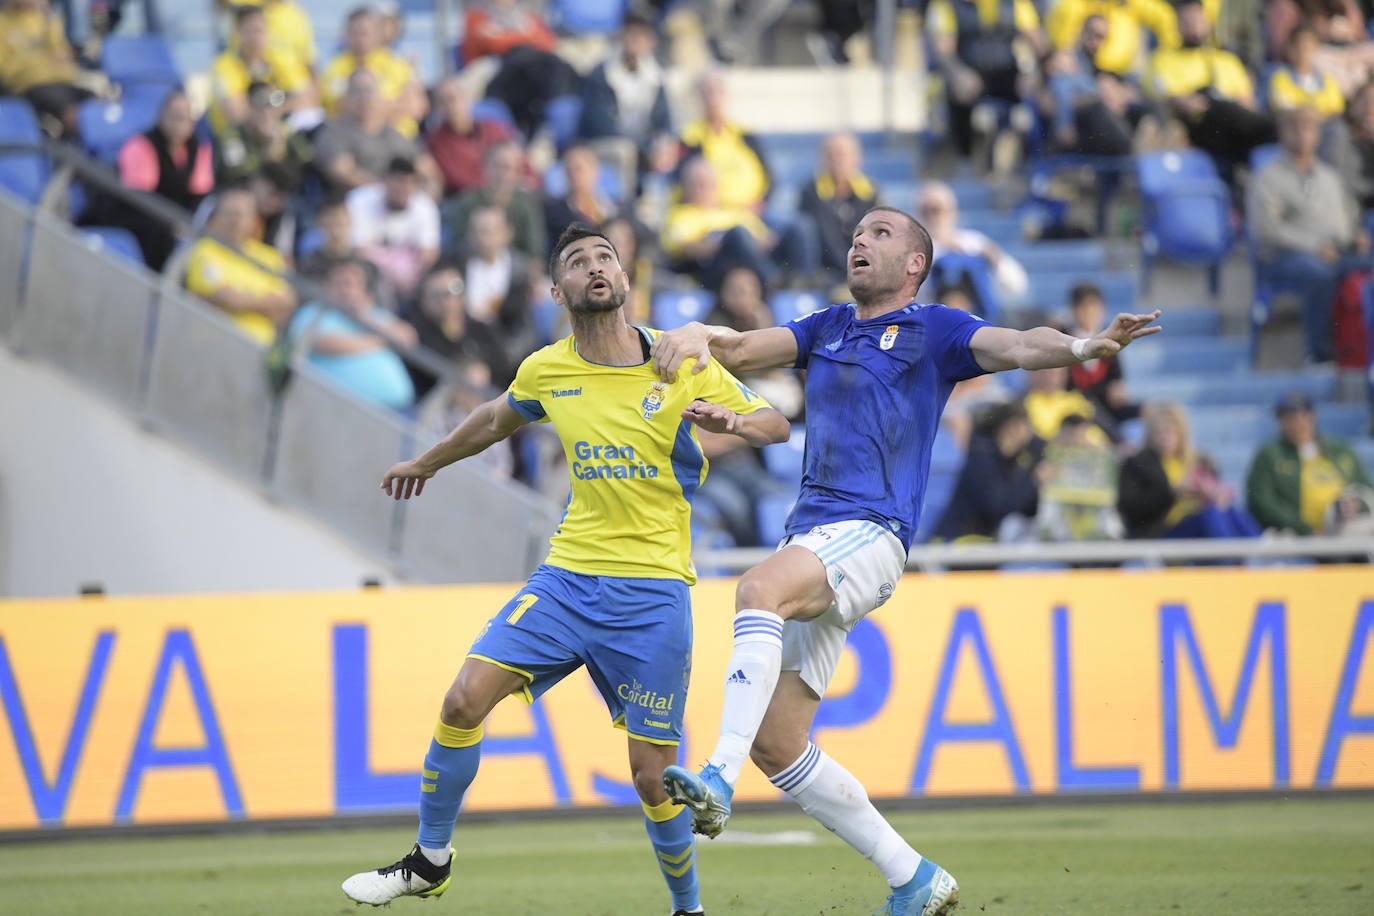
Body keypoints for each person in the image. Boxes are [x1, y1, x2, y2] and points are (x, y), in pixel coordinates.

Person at [649, 205, 1161, 915]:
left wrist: (1084, 347)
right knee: (779, 741)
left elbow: (1016, 345)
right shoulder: (825, 328)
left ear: (915, 263)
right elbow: (736, 352)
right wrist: (693, 334)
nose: (860, 241)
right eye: (857, 233)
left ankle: (718, 776)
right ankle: (911, 877)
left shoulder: (937, 329)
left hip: (872, 529)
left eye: (880, 234)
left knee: (757, 591)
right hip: (815, 537)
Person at [339, 223, 790, 914]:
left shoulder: (679, 358)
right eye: (577, 262)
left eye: (604, 255)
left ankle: (688, 910)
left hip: (654, 594)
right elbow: (494, 420)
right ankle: (429, 861)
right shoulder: (547, 369)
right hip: (568, 580)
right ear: (558, 290)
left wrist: (729, 423)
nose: (594, 267)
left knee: (650, 776)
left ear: (626, 276)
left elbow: (775, 425)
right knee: (463, 699)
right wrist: (424, 463)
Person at [1248, 105, 1369, 364]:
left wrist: (1355, 236)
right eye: (1296, 128)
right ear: (1283, 133)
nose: (1304, 135)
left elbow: (1346, 219)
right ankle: (1319, 353)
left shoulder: (1329, 176)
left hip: (1335, 252)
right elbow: (1267, 229)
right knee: (1317, 273)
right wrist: (1314, 246)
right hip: (1283, 258)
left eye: (1310, 128)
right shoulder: (1269, 176)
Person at [102, 88, 214, 271]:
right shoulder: (141, 145)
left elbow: (199, 195)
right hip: (136, 215)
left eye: (184, 118)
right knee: (159, 236)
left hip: (173, 221)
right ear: (161, 116)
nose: (179, 124)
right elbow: (140, 199)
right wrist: (173, 225)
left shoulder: (198, 149)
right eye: (174, 116)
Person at [288, 256, 418, 411]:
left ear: (365, 290)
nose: (344, 290)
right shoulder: (314, 311)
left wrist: (365, 318)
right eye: (337, 284)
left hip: (396, 409)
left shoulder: (373, 315)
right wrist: (382, 340)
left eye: (350, 284)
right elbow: (325, 343)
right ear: (326, 287)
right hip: (335, 407)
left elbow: (408, 338)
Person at [1117, 401, 1260, 539]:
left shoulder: (1198, 461)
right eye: (1159, 432)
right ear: (1150, 433)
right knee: (1210, 515)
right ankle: (1232, 557)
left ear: (1181, 432)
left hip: (1197, 521)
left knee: (1229, 511)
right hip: (1163, 530)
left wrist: (1212, 494)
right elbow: (1130, 507)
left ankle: (1260, 548)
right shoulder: (1138, 464)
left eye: (1170, 431)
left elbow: (1215, 494)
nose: (1164, 437)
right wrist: (1174, 492)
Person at [1246, 390, 1372, 535]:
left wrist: (1357, 505)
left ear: (1312, 417)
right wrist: (1304, 529)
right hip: (1295, 533)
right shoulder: (1270, 455)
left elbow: (1366, 490)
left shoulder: (1340, 450)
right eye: (1285, 419)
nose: (1293, 424)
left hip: (1346, 526)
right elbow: (1261, 502)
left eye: (1297, 417)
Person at [184, 185, 297, 345]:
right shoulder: (204, 250)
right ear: (217, 217)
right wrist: (267, 302)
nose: (235, 220)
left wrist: (244, 299)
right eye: (230, 213)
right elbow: (228, 299)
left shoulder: (271, 257)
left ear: (255, 220)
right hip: (212, 343)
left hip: (259, 351)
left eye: (241, 214)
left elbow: (286, 306)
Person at [797, 132, 880, 281]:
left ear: (856, 159)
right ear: (822, 159)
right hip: (826, 270)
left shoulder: (870, 191)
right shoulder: (811, 191)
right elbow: (825, 236)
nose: (837, 161)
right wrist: (847, 268)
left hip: (862, 267)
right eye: (831, 155)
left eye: (842, 155)